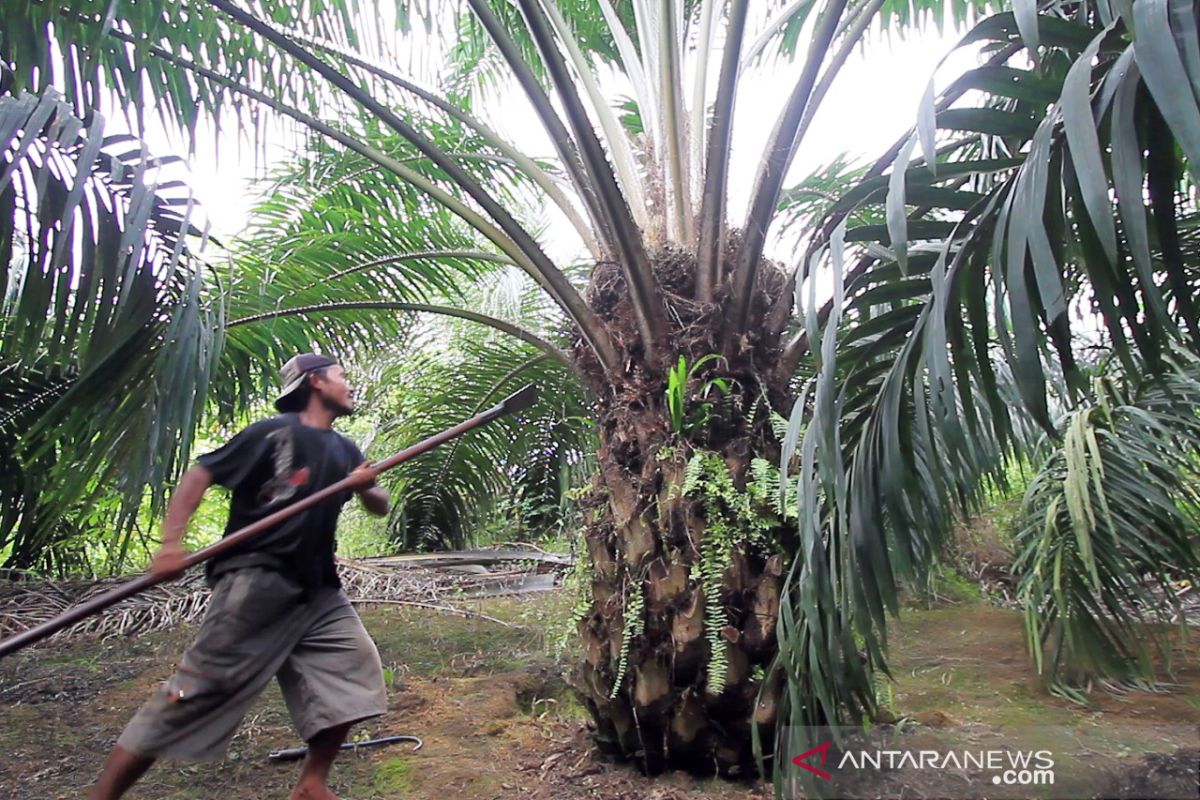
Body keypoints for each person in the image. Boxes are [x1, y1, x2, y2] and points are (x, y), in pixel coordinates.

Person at [88, 353, 391, 800]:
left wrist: (365, 484)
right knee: (193, 692)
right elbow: (200, 474)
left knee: (352, 666)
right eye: (342, 375)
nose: (349, 384)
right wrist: (171, 545)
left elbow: (379, 502)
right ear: (315, 383)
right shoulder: (269, 435)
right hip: (257, 580)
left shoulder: (344, 449)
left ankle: (312, 783)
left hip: (319, 590)